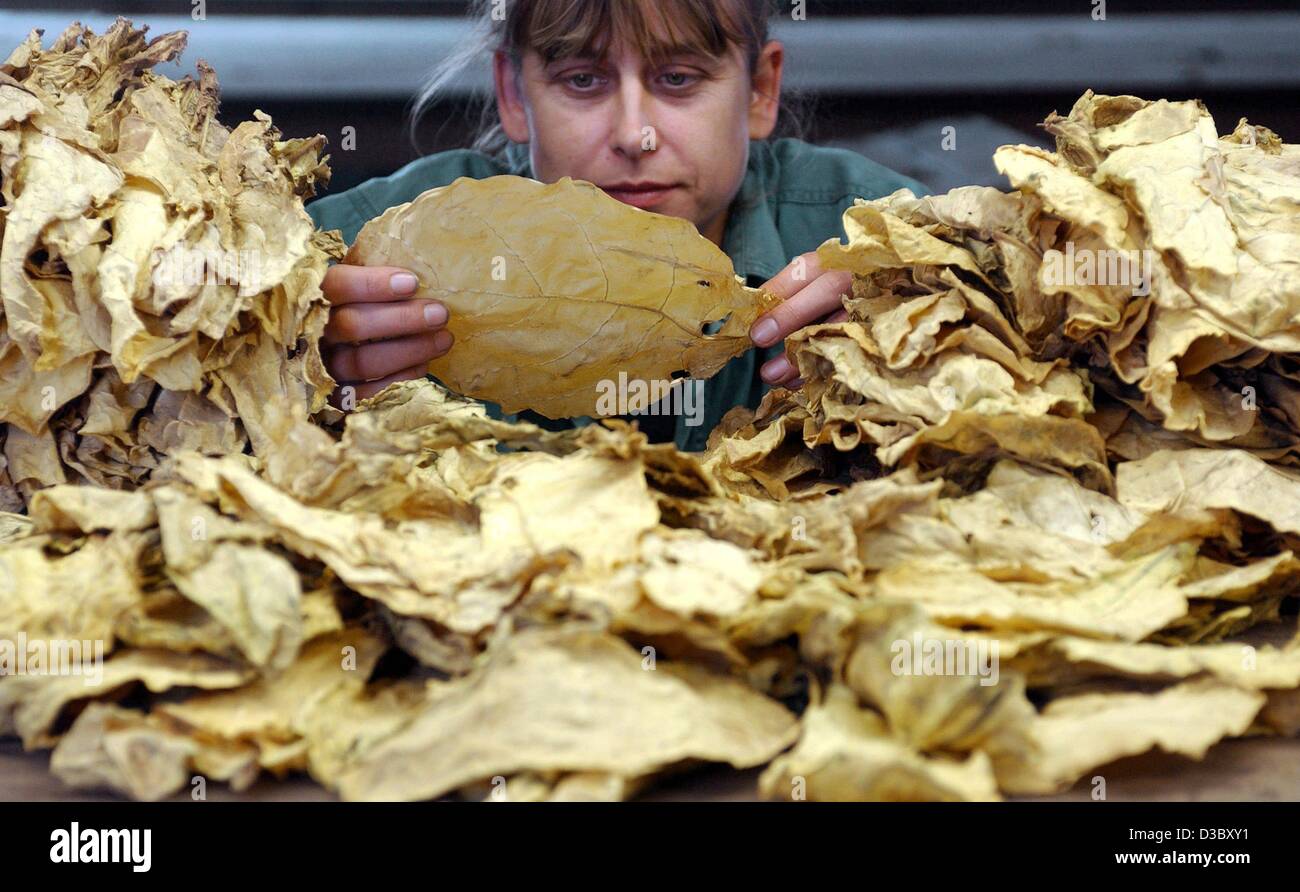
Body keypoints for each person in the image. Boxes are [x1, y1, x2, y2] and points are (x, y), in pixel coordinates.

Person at [306, 0, 926, 451]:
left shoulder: (873, 228)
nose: (636, 135)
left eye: (678, 79)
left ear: (761, 90)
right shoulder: (367, 245)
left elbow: (1013, 292)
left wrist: (920, 329)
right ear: (515, 96)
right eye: (583, 80)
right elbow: (223, 335)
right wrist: (295, 360)